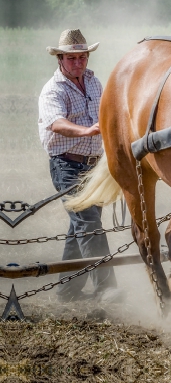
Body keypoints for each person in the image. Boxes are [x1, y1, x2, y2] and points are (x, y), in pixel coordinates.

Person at [38, 29, 121, 303]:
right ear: (60, 59)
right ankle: (106, 287)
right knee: (88, 222)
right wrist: (87, 131)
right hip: (67, 165)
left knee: (81, 226)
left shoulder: (95, 83)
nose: (78, 63)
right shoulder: (54, 90)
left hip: (94, 165)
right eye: (72, 58)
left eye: (82, 57)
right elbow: (55, 123)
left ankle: (68, 290)